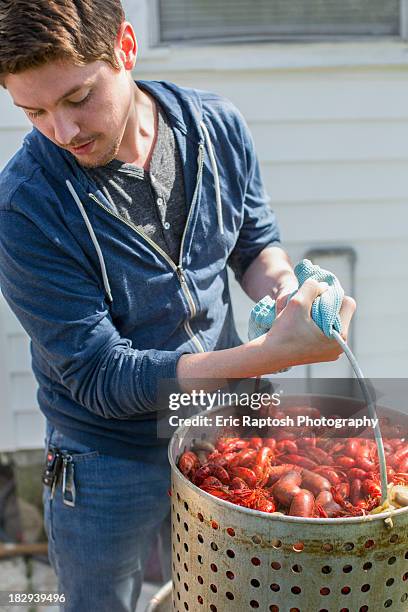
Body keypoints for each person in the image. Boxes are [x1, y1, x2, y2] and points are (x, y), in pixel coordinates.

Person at [0, 1, 355, 610]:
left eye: (79, 97)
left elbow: (254, 244)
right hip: (106, 456)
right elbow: (98, 374)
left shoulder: (216, 125)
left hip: (227, 432)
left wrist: (292, 298)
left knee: (239, 594)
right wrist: (265, 356)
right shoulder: (25, 209)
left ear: (126, 48)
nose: (63, 131)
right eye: (33, 111)